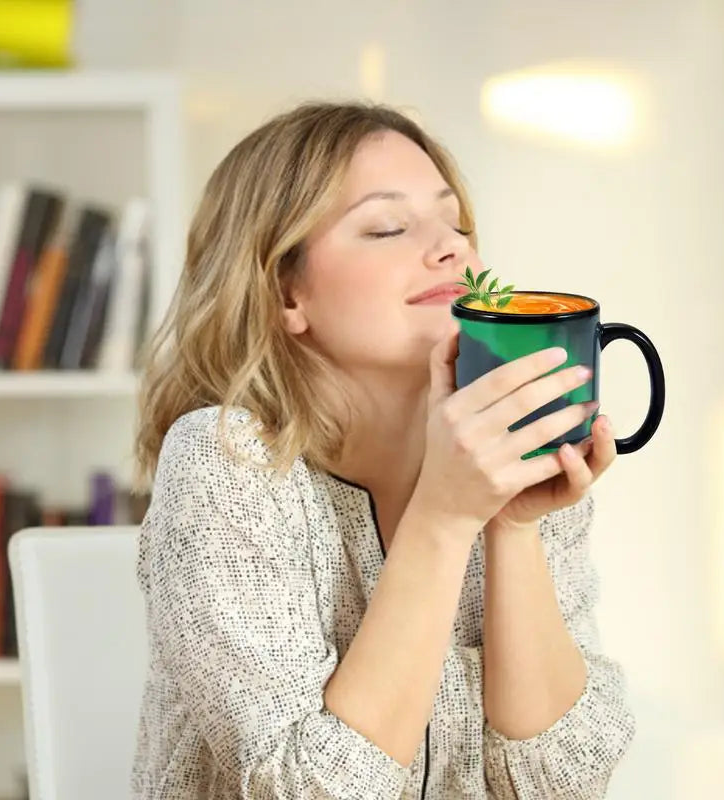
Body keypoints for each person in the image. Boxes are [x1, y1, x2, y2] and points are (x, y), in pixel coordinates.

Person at [130, 100, 635, 800]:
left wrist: (511, 522)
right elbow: (306, 790)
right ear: (285, 293)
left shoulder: (507, 456)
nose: (452, 248)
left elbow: (560, 786)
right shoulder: (225, 464)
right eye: (387, 226)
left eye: (457, 224)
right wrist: (444, 518)